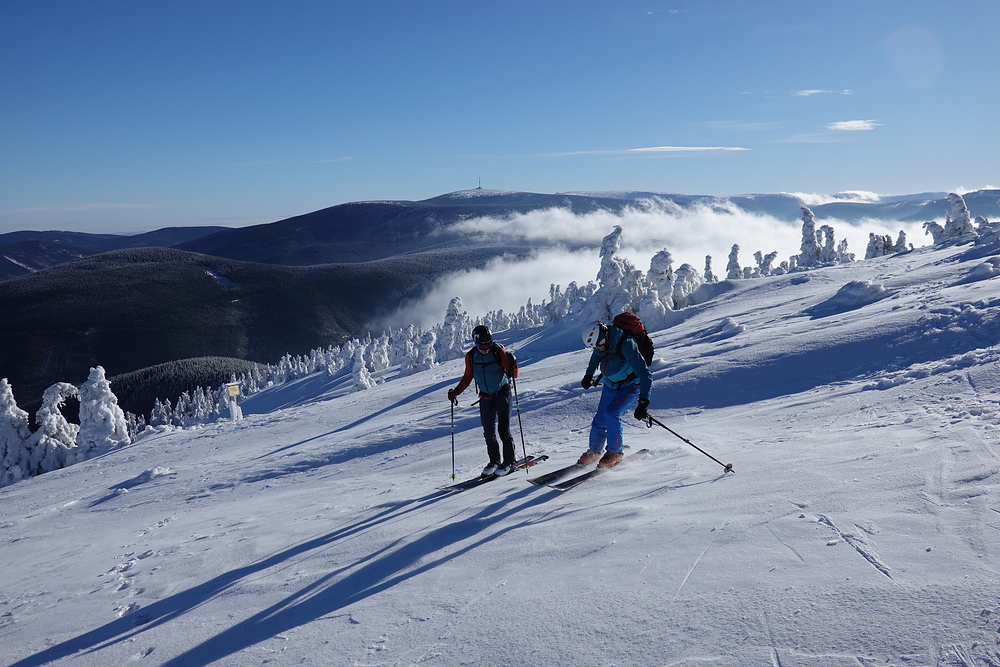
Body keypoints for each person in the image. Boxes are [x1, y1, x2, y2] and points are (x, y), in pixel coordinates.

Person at [578, 318, 652, 467]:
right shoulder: (602, 342)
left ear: (604, 336)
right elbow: (596, 356)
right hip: (610, 384)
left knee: (612, 413)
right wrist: (588, 375)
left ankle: (615, 452)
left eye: (598, 345)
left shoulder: (626, 343)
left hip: (630, 386)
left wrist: (643, 402)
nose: (597, 348)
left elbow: (645, 374)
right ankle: (595, 451)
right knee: (600, 418)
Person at [448, 325, 519, 477]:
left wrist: (513, 363)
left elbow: (513, 374)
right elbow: (468, 377)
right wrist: (456, 392)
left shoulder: (498, 351)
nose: (486, 348)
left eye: (489, 344)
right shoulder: (471, 356)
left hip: (502, 395)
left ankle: (510, 461)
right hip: (486, 398)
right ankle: (495, 461)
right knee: (488, 432)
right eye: (483, 345)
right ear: (476, 343)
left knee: (503, 430)